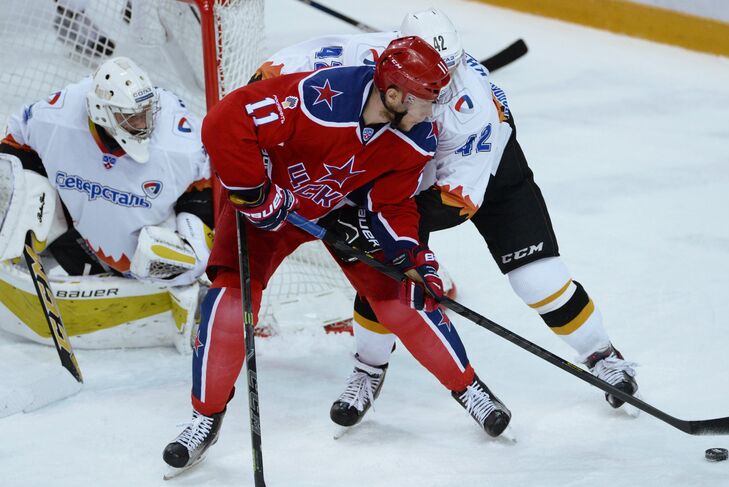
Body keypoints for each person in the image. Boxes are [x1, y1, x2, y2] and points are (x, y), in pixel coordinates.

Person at [253, 7, 639, 427]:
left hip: (485, 178)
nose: (441, 81)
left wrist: (369, 221)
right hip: (399, 179)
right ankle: (368, 369)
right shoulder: (368, 57)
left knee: (537, 279)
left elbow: (457, 200)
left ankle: (602, 354)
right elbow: (275, 72)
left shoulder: (469, 108)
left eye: (449, 68)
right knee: (382, 278)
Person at [162, 36, 512, 473]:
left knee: (405, 299)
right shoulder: (319, 98)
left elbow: (392, 205)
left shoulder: (416, 137)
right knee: (229, 307)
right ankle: (204, 417)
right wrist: (255, 192)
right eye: (427, 100)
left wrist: (411, 257)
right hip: (265, 208)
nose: (433, 111)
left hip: (337, 212)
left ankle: (469, 388)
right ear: (394, 95)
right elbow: (223, 122)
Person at [0, 56, 212, 295]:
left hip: (152, 261)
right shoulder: (56, 117)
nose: (144, 122)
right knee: (19, 183)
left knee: (195, 258)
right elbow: (14, 142)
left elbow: (208, 179)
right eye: (131, 117)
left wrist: (194, 244)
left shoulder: (179, 144)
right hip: (81, 240)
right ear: (102, 113)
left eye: (146, 112)